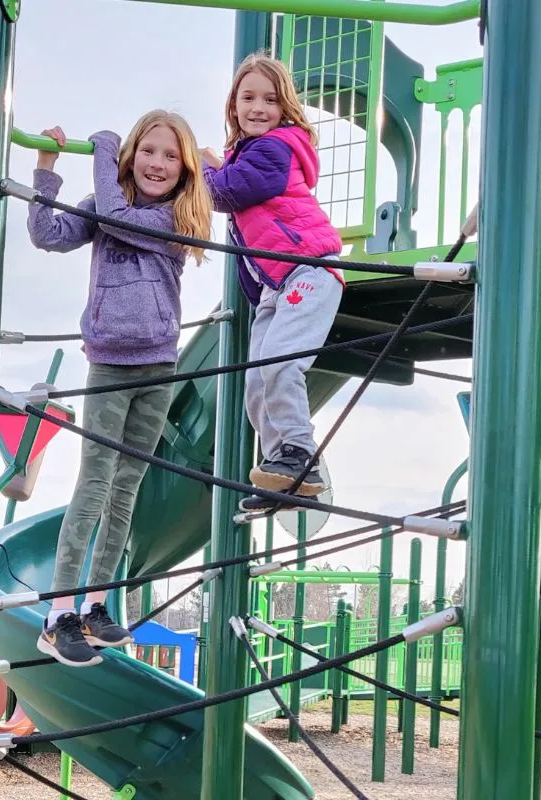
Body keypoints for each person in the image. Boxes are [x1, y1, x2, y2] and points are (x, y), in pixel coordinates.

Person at [27, 110, 213, 666]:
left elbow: (118, 216)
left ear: (183, 170)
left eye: (170, 155)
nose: (158, 164)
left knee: (126, 489)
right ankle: (58, 614)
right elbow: (47, 234)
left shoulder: (177, 218)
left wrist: (105, 148)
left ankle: (98, 605)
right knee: (94, 485)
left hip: (158, 366)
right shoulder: (106, 208)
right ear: (132, 156)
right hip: (109, 364)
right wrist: (46, 169)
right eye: (147, 151)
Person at [201, 53, 344, 512]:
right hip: (276, 284)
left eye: (269, 99)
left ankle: (300, 453)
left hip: (310, 271)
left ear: (285, 108)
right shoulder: (245, 154)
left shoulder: (275, 149)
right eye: (248, 98)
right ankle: (279, 472)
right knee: (257, 380)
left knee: (282, 364)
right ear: (234, 106)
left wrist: (203, 166)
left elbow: (226, 192)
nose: (258, 107)